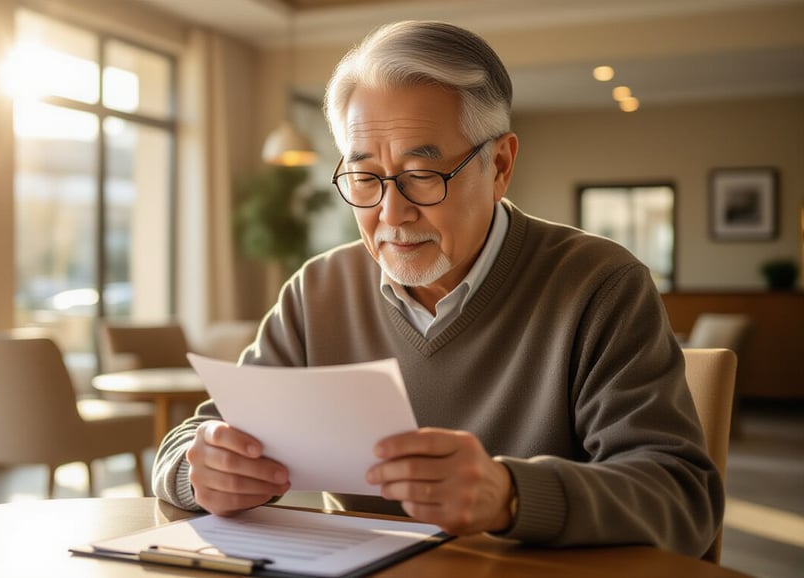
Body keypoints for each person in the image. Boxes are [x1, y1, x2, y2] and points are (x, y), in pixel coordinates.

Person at [152, 20, 722, 557]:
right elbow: (195, 438)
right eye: (365, 177)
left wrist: (511, 494)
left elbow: (683, 501)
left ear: (499, 165)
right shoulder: (319, 289)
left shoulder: (599, 285)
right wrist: (199, 470)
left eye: (422, 175)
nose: (390, 213)